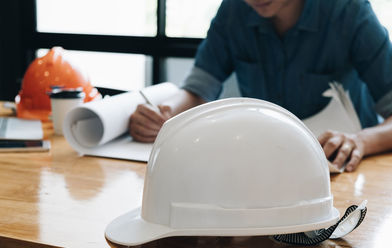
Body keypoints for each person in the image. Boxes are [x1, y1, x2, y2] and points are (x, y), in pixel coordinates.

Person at [129, 0, 392, 172]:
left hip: (346, 172)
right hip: (262, 168)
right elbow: (198, 88)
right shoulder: (233, 11)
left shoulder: (350, 11)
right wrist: (164, 113)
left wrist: (360, 141)